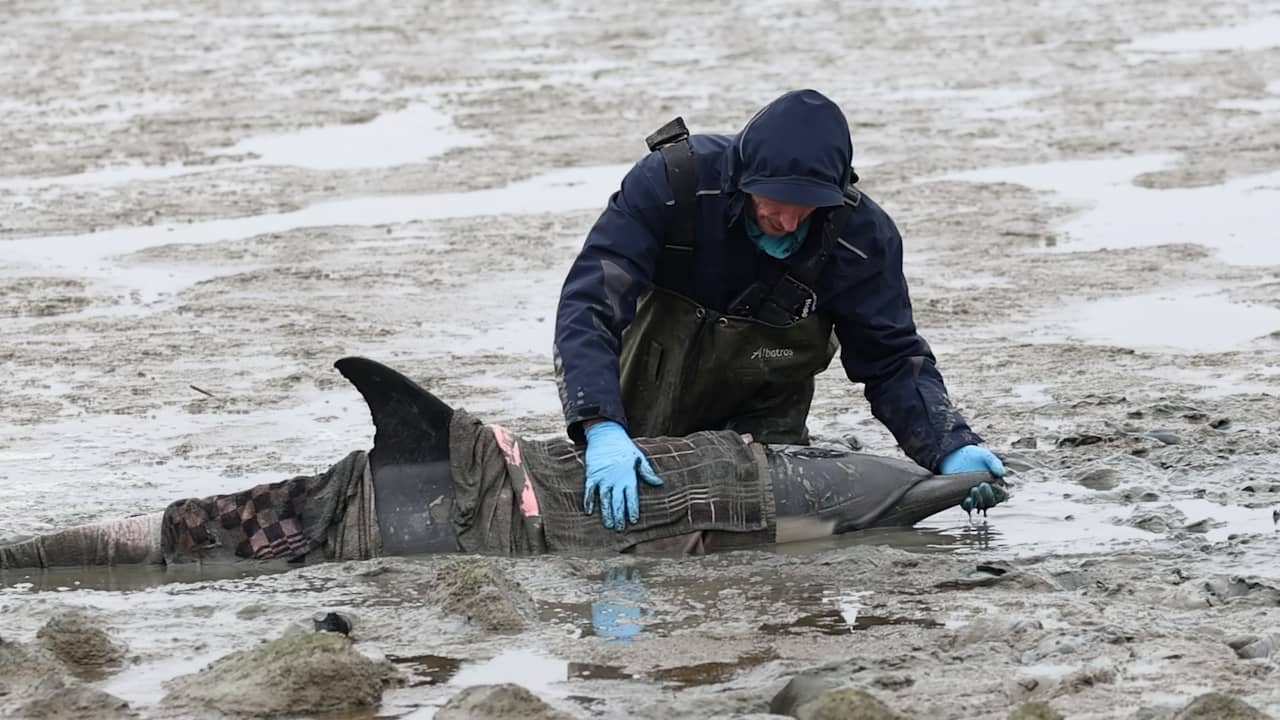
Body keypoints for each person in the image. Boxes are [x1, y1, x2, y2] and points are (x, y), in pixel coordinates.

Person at [0, 358, 1006, 570]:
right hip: (335, 521)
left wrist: (944, 452)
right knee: (139, 552)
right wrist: (602, 425)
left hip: (392, 498)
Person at [554, 88, 1004, 531]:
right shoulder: (671, 185)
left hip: (765, 432)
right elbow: (591, 303)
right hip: (646, 414)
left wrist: (949, 446)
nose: (789, 223)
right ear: (742, 175)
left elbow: (890, 360)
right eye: (776, 204)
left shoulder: (863, 239)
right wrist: (600, 425)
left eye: (806, 208)